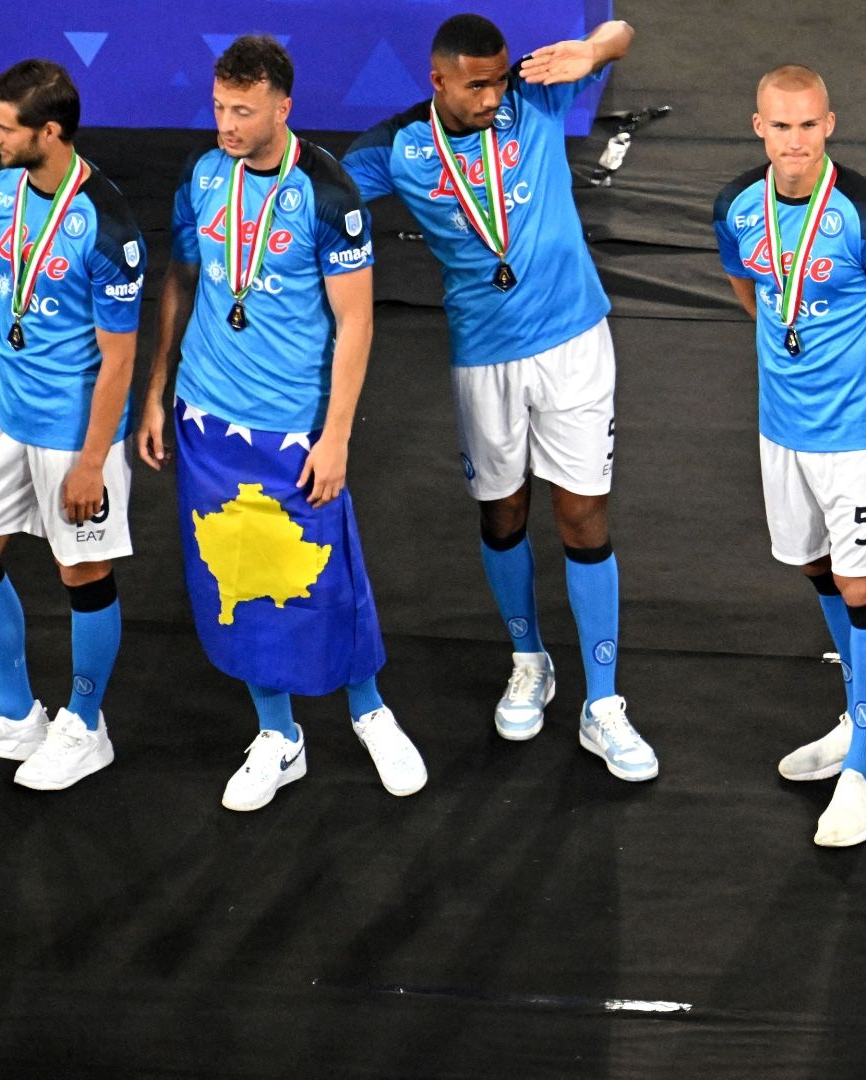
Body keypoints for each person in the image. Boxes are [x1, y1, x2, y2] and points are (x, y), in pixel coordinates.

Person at [342, 14, 655, 780]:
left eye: (499, 77)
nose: (493, 96)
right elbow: (321, 193)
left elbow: (622, 29)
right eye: (477, 84)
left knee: (582, 512)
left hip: (576, 342)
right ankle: (529, 658)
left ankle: (604, 703)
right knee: (503, 510)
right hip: (484, 359)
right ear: (437, 78)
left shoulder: (535, 97)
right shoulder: (399, 146)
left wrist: (594, 49)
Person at [139, 36, 424, 810]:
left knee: (326, 577)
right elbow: (181, 279)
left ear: (282, 106)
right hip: (206, 418)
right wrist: (158, 384)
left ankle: (370, 713)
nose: (226, 124)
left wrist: (336, 437)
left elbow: (357, 325)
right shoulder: (203, 176)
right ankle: (278, 735)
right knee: (238, 576)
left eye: (243, 110)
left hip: (292, 430)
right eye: (220, 107)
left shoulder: (329, 197)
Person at [712, 65, 866, 845]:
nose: (796, 141)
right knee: (817, 569)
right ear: (759, 128)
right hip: (783, 429)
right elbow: (752, 293)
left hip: (859, 438)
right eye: (781, 126)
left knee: (865, 585)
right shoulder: (737, 209)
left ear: (829, 125)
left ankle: (865, 773)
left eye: (809, 126)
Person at [0, 59, 142, 790]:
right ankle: (16, 709)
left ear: (49, 132)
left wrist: (94, 461)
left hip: (72, 431)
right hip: (3, 415)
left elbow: (119, 360)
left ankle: (86, 726)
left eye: (4, 126)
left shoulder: (108, 225)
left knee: (82, 573)